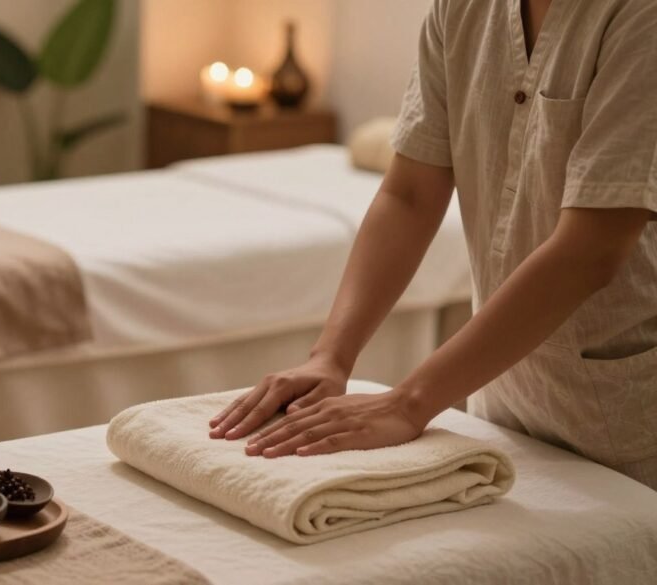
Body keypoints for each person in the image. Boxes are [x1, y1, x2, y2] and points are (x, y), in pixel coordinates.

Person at [209, 0, 657, 489]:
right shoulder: (462, 10)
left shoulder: (640, 17)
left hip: (627, 426)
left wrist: (410, 402)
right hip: (501, 403)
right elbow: (409, 195)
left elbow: (589, 252)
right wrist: (331, 357)